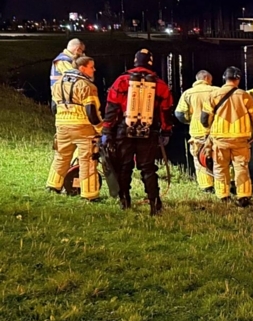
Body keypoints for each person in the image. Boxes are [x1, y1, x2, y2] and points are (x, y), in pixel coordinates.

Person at [102, 49, 174, 215]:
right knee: (148, 168)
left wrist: (107, 130)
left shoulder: (122, 80)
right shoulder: (159, 84)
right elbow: (166, 111)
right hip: (148, 131)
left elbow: (112, 107)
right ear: (150, 62)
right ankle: (155, 204)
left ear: (135, 62)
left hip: (124, 129)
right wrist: (166, 132)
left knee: (124, 166)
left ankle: (125, 200)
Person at [174, 70, 253, 193]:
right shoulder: (216, 91)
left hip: (198, 132)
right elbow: (240, 96)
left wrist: (191, 121)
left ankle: (207, 187)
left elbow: (179, 114)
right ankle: (234, 186)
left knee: (200, 159)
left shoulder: (187, 94)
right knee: (227, 162)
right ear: (206, 78)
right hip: (217, 132)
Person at [200, 66, 253, 207]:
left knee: (220, 167)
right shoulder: (244, 95)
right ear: (238, 79)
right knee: (241, 167)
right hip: (240, 140)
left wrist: (207, 133)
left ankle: (223, 196)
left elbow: (204, 118)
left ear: (224, 78)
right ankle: (243, 196)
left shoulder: (214, 95)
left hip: (219, 139)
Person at [47, 55, 102, 201]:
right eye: (91, 67)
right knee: (88, 160)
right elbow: (92, 112)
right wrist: (100, 129)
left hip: (62, 126)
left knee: (61, 156)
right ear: (82, 68)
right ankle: (89, 194)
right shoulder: (87, 86)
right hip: (83, 128)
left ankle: (53, 185)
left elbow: (53, 107)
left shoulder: (58, 84)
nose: (94, 69)